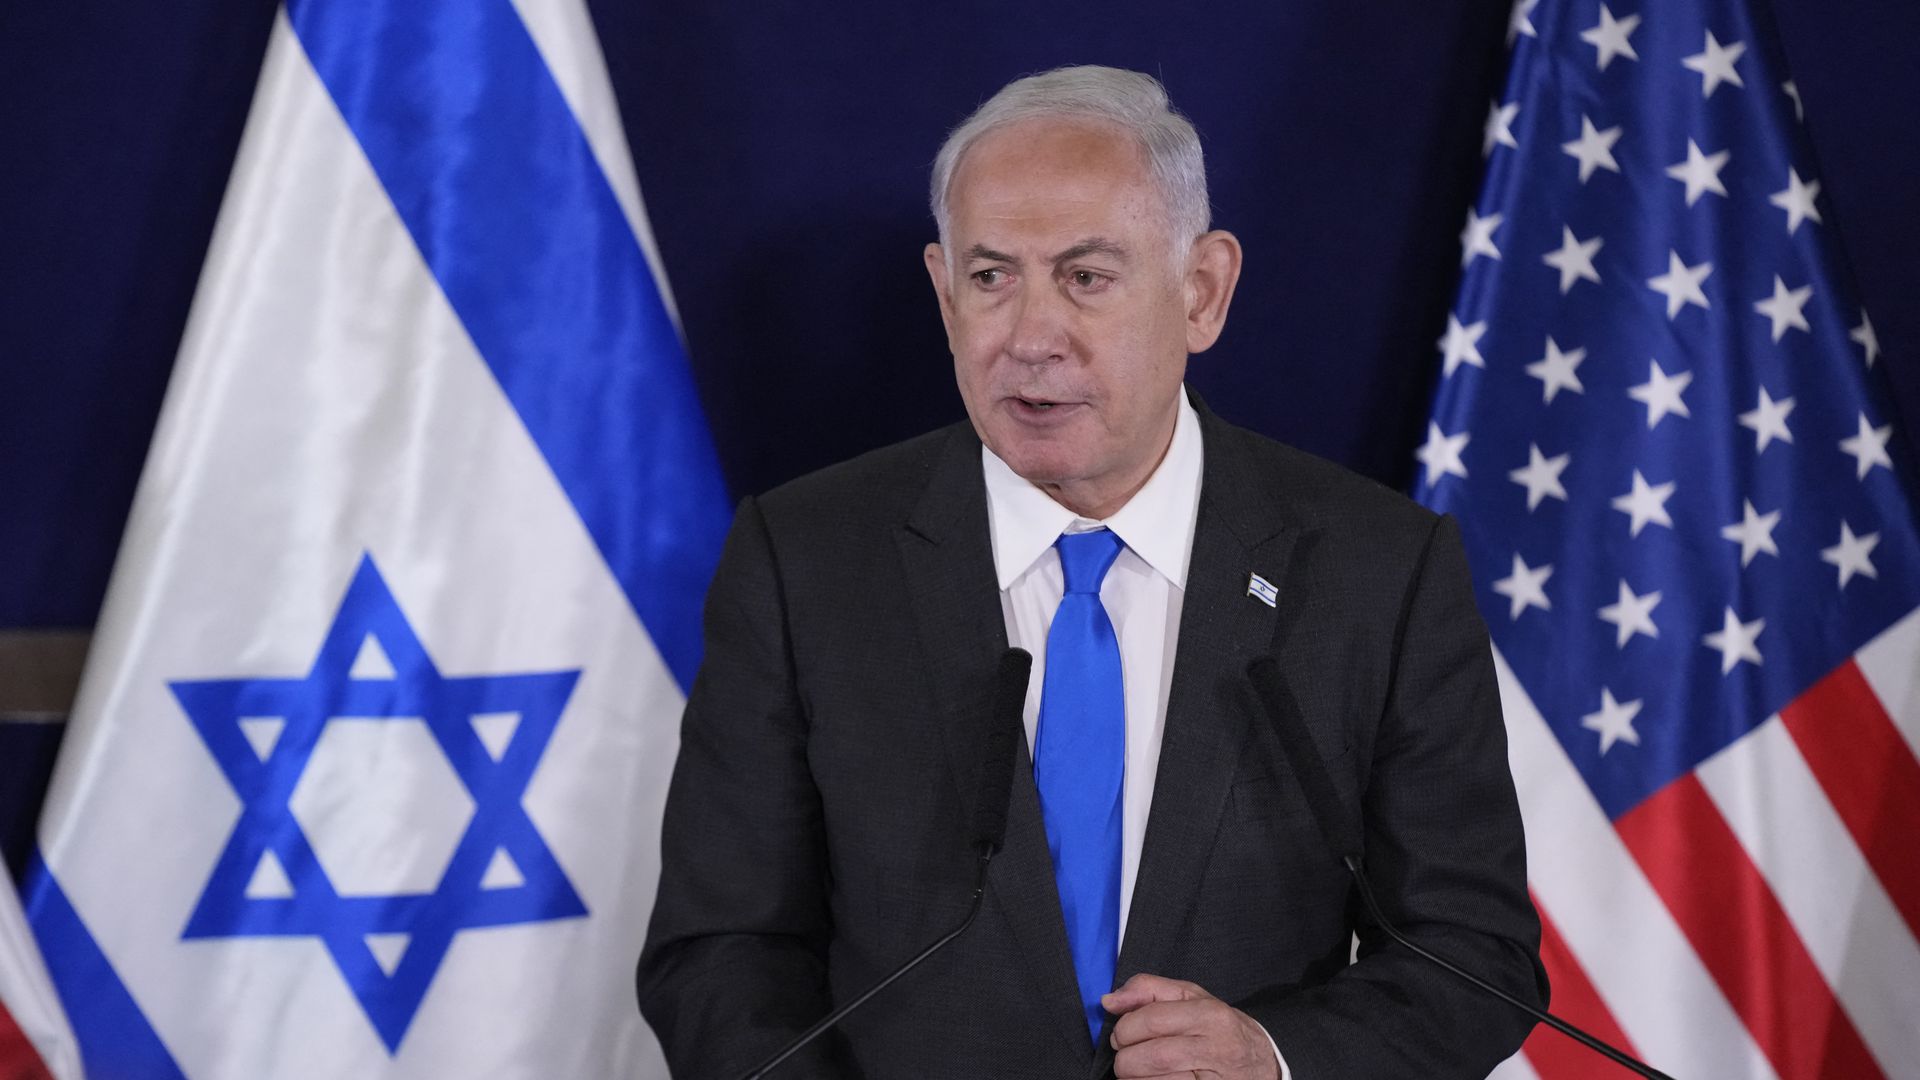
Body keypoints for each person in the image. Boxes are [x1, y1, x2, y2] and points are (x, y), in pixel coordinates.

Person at [638, 65, 1546, 1079]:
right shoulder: (804, 560)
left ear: (1202, 292)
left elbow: (1476, 956)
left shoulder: (1380, 570)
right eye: (992, 277)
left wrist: (1277, 1056)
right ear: (944, 293)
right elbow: (719, 954)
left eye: (1086, 277)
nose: (1031, 339)